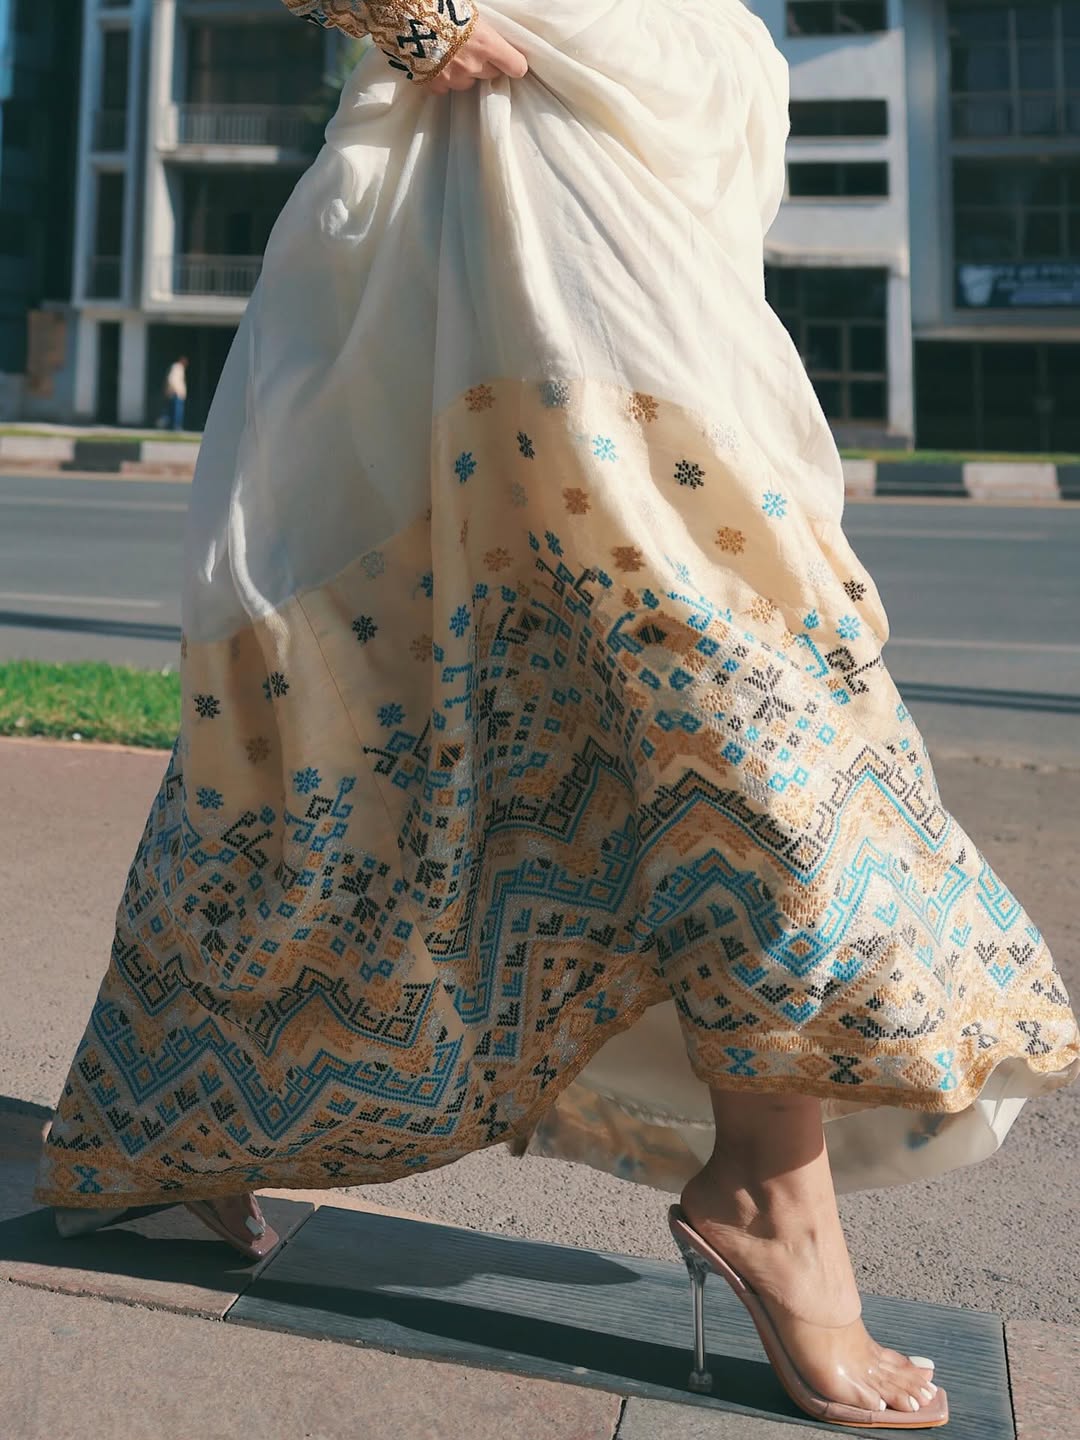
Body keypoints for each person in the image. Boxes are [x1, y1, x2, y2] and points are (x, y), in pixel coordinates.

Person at [37, 0, 1079, 1429]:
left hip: (679, 103)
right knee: (700, 645)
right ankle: (776, 1187)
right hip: (518, 128)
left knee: (503, 658)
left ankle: (187, 1105)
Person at [162, 355, 188, 431]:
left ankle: (170, 425)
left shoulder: (177, 367)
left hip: (175, 393)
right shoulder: (177, 367)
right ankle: (175, 426)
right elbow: (171, 379)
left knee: (171, 411)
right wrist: (176, 390)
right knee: (176, 411)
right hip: (176, 393)